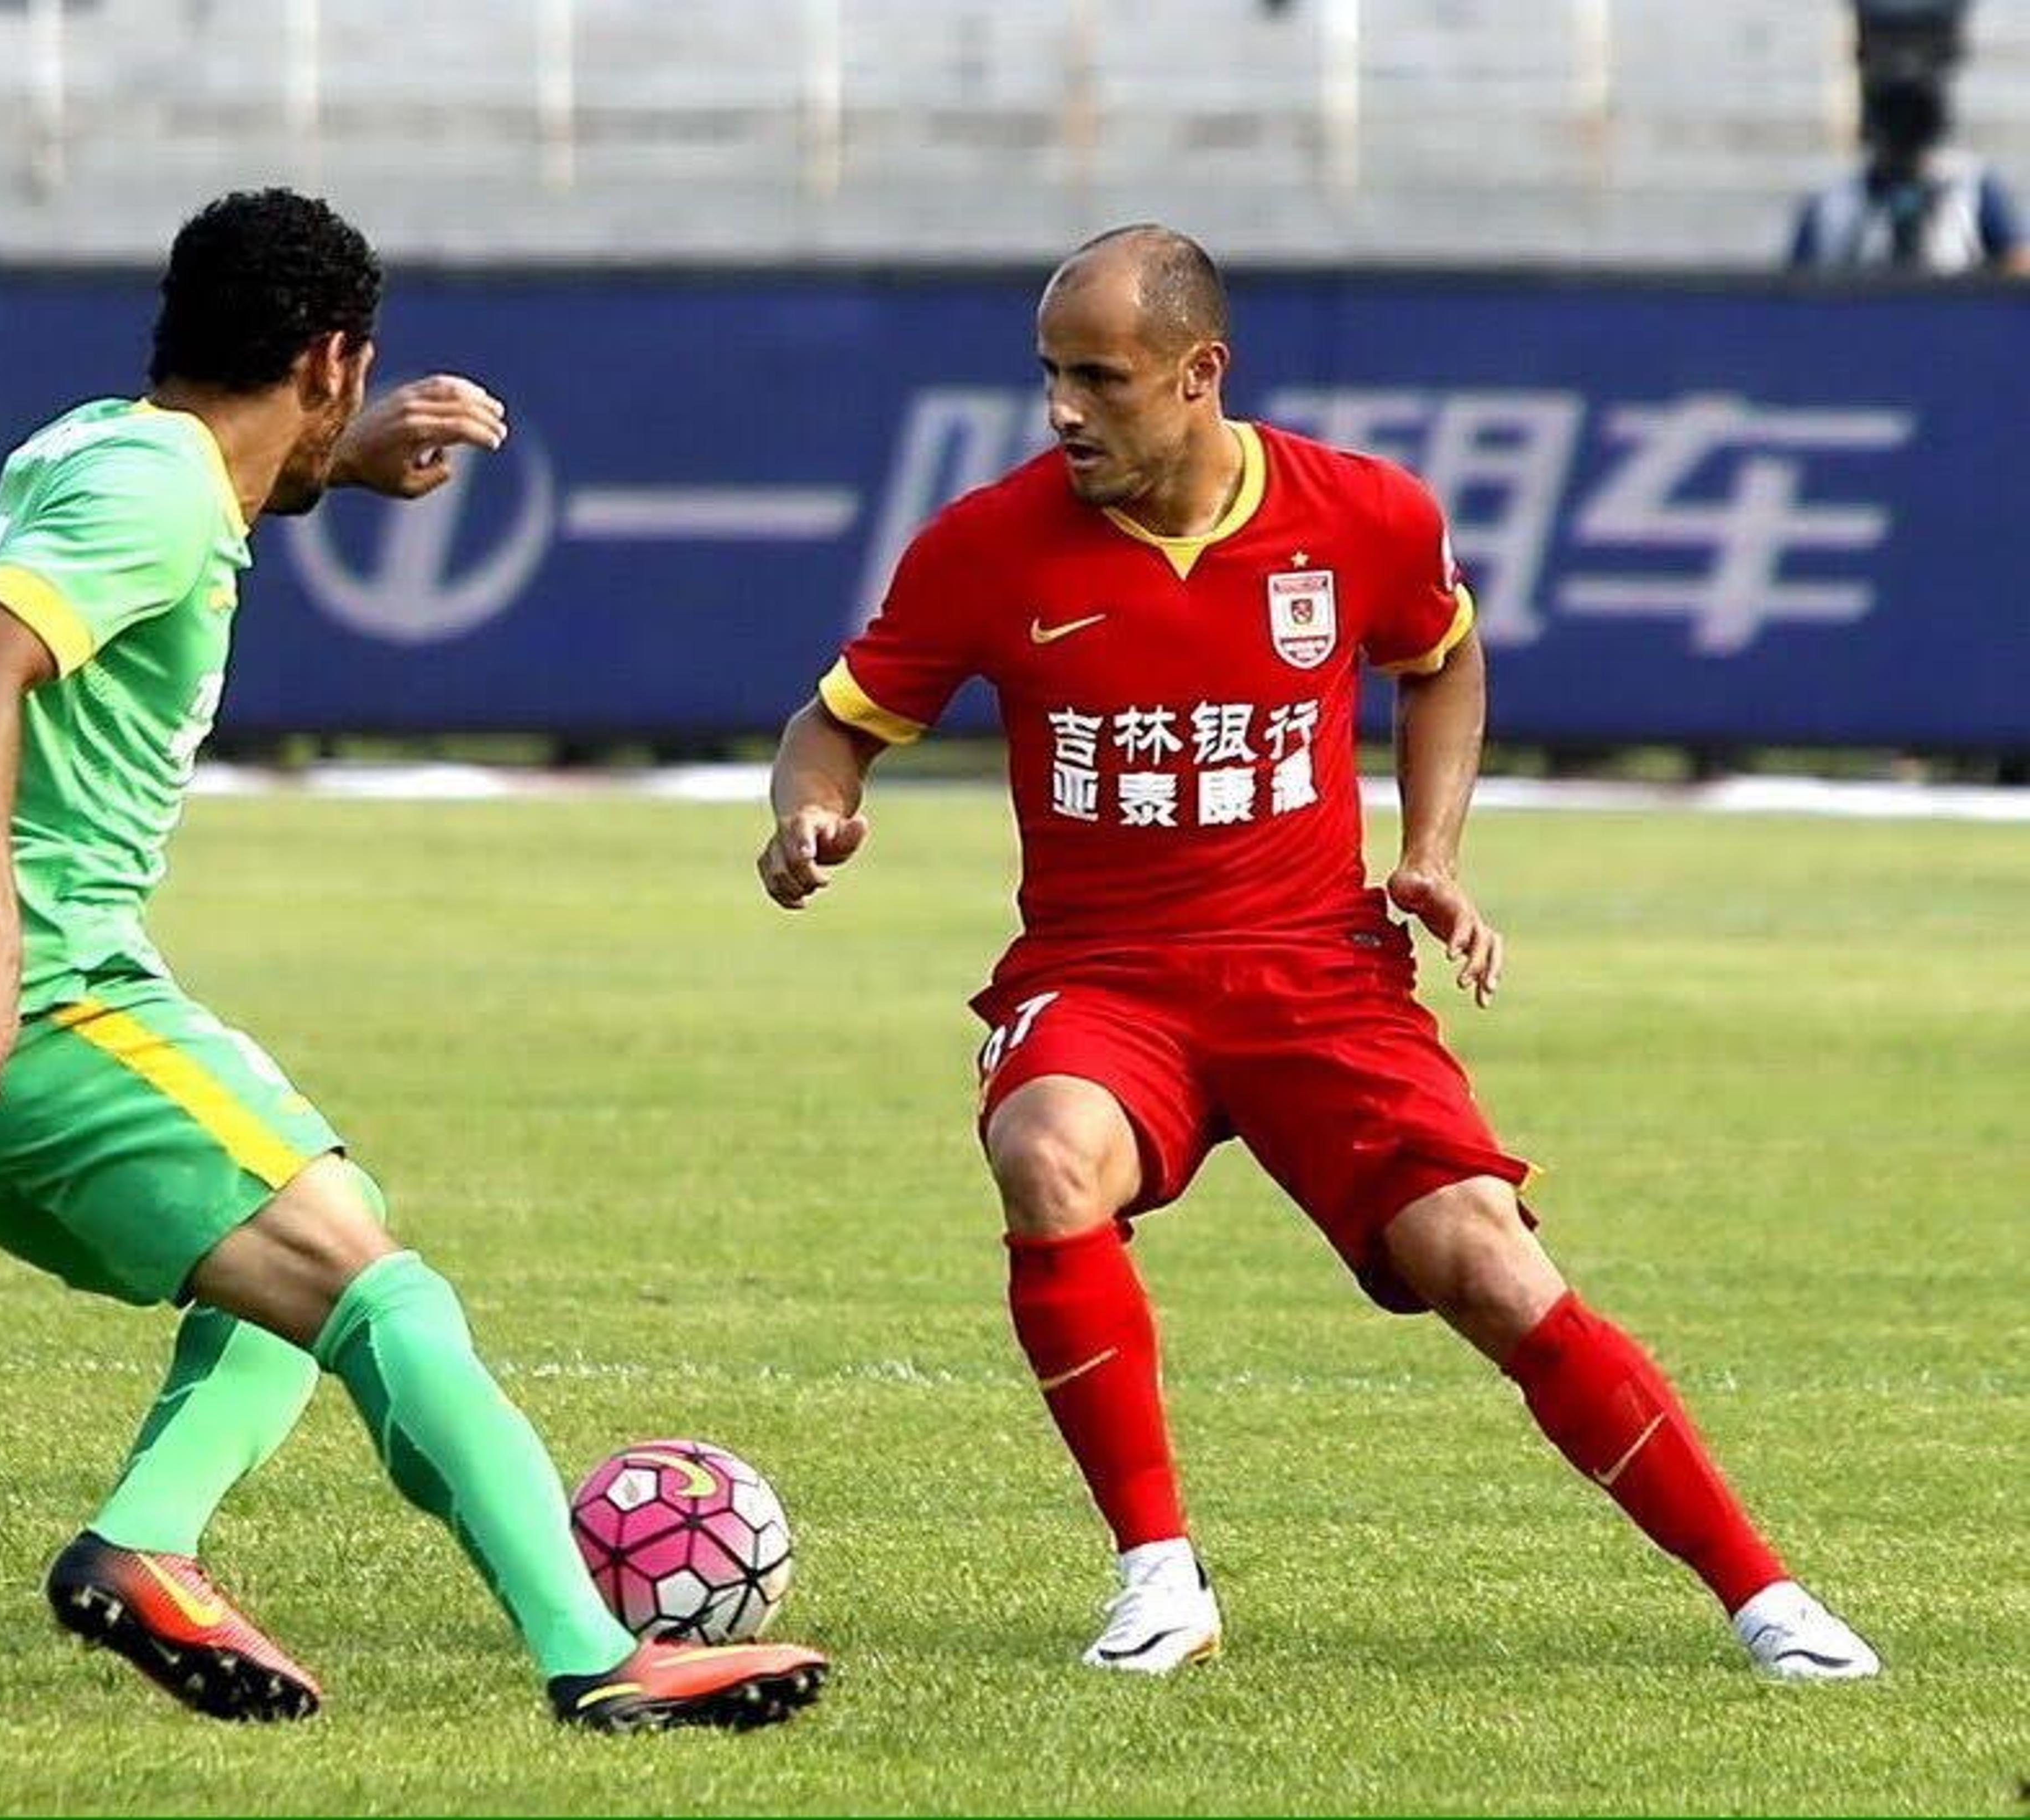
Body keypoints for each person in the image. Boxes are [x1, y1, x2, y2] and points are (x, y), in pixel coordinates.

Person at [759, 224, 1880, 1682]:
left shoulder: (1364, 517)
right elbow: (833, 719)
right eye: (1050, 375)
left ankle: (1765, 1597)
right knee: (1046, 1153)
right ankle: (1159, 1580)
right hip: (1103, 979)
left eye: (1100, 377)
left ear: (1199, 371)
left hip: (1318, 973)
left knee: (1484, 1261)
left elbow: (1445, 656)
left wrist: (1432, 849)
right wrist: (811, 814)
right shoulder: (985, 546)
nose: (1064, 411)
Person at [0, 188, 826, 1732]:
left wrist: (335, 459)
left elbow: (199, 500)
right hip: (31, 997)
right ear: (333, 355)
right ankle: (599, 1650)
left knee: (322, 1238)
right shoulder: (154, 490)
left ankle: (145, 1543)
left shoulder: (97, 445)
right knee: (386, 1293)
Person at [1790, 0, 2029, 273]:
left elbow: (2018, 281)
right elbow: (1792, 299)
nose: (1903, 129)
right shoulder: (1834, 206)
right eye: (1894, 115)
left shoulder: (1974, 191)